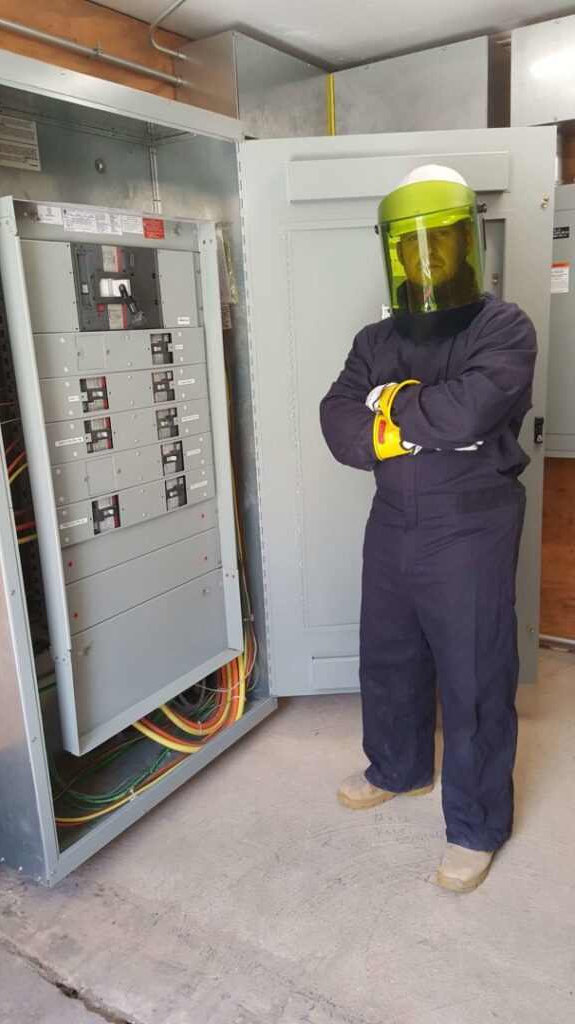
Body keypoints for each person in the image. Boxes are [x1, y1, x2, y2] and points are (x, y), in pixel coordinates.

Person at [319, 165, 537, 893]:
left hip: (469, 522)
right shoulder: (373, 338)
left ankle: (476, 826)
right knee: (387, 652)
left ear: (466, 242)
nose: (425, 257)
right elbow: (338, 421)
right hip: (393, 520)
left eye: (440, 241)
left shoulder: (503, 326)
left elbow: (471, 412)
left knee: (474, 673)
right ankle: (397, 766)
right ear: (395, 253)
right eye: (411, 246)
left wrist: (392, 410)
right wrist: (410, 421)